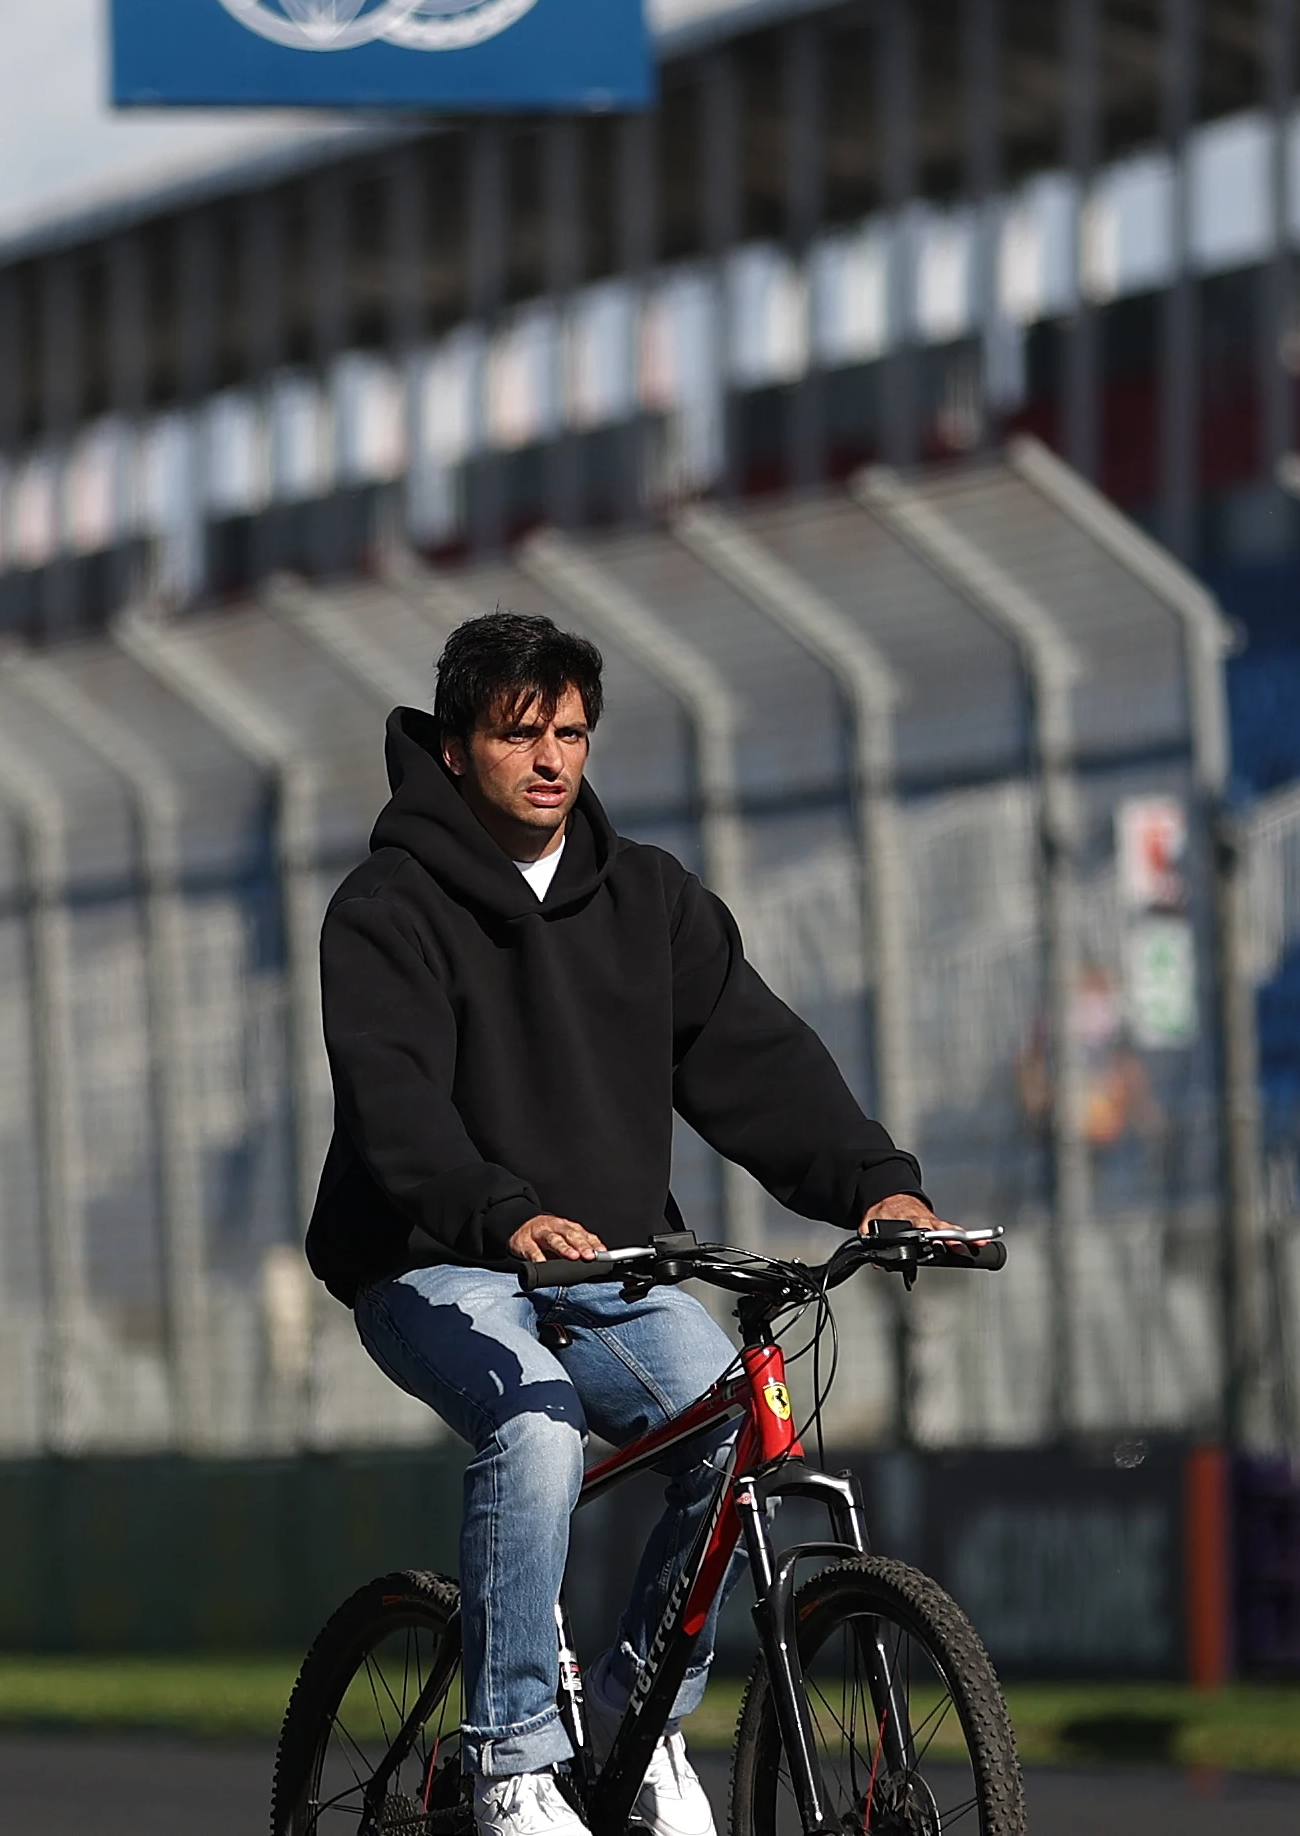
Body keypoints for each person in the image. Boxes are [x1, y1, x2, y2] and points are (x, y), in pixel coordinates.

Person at [310, 614, 951, 1836]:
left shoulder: (650, 899)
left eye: (570, 733)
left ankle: (637, 1719)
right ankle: (508, 1755)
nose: (551, 758)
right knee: (538, 1421)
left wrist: (874, 1178)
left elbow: (756, 1062)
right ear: (455, 748)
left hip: (607, 1261)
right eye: (519, 734)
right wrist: (501, 1215)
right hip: (430, 1261)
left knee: (740, 1432)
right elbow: (394, 1107)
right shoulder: (383, 907)